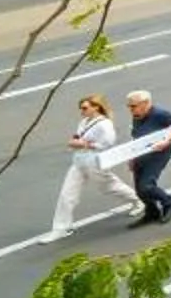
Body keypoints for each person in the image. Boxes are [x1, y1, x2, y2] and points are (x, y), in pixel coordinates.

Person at [48, 93, 142, 237]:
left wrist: (86, 144)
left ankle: (139, 200)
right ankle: (61, 228)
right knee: (67, 194)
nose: (82, 111)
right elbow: (79, 136)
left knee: (109, 186)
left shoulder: (104, 124)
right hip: (79, 161)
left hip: (95, 162)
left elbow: (109, 142)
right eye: (81, 108)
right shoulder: (84, 122)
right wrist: (75, 142)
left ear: (96, 107)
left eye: (85, 108)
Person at [125, 89, 171, 226]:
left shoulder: (159, 114)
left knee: (146, 186)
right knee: (139, 191)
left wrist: (167, 141)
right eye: (129, 106)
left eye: (133, 106)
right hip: (141, 154)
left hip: (158, 154)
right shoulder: (137, 115)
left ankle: (169, 202)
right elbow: (136, 137)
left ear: (145, 103)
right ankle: (152, 212)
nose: (130, 109)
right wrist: (132, 157)